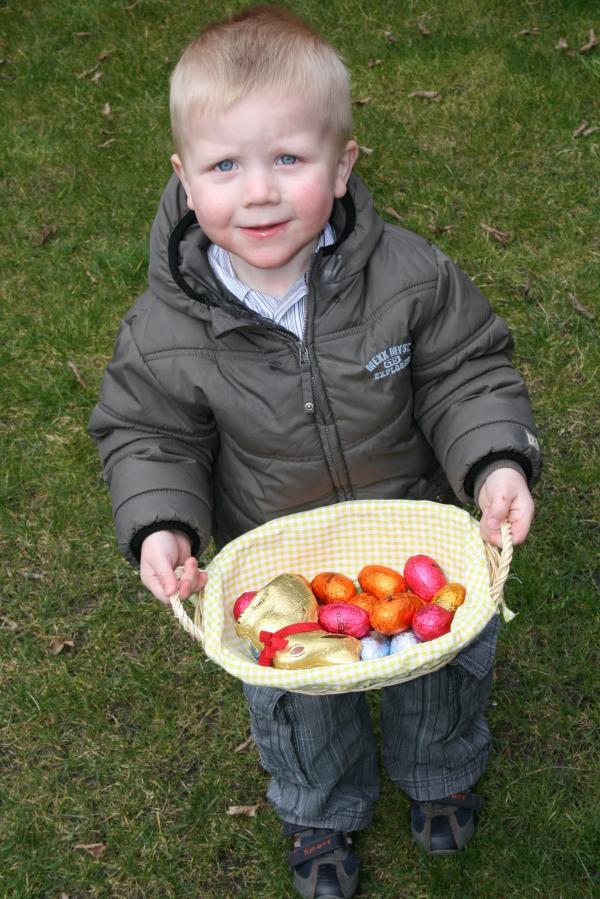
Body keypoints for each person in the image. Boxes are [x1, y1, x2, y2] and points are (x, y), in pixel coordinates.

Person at [89, 6, 541, 897]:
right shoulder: (167, 328)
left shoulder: (409, 277)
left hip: (411, 526)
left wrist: (496, 465)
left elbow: (466, 372)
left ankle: (438, 768)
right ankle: (319, 808)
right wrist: (162, 526)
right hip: (276, 545)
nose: (257, 192)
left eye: (289, 159)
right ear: (183, 178)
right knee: (296, 698)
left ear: (343, 167)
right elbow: (149, 432)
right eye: (225, 166)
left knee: (443, 657)